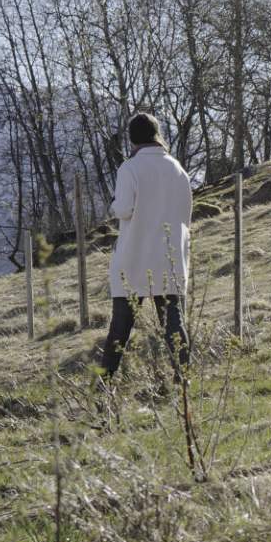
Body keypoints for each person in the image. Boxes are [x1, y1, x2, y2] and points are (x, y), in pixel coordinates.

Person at [96, 112, 195, 377]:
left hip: (136, 255)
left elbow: (124, 209)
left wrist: (113, 203)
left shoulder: (130, 168)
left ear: (132, 140)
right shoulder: (177, 169)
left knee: (121, 327)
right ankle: (183, 380)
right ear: (157, 135)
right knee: (174, 323)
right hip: (170, 255)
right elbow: (187, 213)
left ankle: (104, 384)